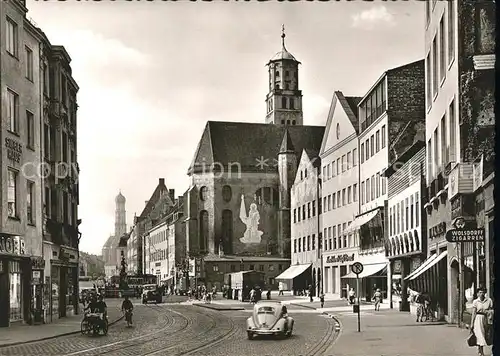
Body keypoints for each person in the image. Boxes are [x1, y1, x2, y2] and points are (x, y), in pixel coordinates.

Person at [471, 287, 493, 356]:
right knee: (480, 335)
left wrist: (489, 313)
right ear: (477, 294)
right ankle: (481, 352)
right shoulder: (475, 301)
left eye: (483, 292)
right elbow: (474, 313)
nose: (481, 294)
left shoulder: (489, 300)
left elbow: (492, 310)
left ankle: (480, 350)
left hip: (486, 319)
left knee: (485, 334)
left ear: (485, 293)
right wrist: (472, 323)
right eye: (480, 292)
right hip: (478, 319)